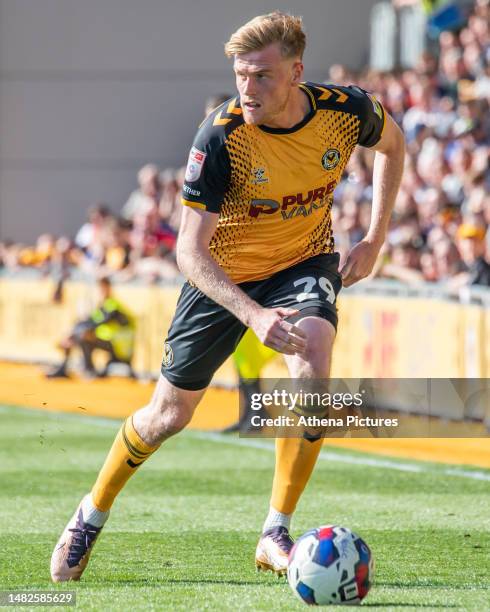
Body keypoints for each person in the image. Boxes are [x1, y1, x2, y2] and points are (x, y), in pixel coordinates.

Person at [50, 11, 404, 582]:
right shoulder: (221, 134)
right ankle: (90, 513)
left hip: (302, 261)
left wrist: (374, 238)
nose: (248, 87)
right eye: (241, 74)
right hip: (223, 278)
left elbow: (394, 141)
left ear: (296, 72)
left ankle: (275, 531)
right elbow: (189, 253)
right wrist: (252, 312)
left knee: (314, 365)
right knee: (169, 415)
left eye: (261, 75)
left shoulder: (345, 111)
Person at [47, 277, 135, 379]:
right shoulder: (105, 304)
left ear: (109, 288)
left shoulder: (112, 305)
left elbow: (98, 323)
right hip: (111, 342)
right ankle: (70, 367)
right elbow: (89, 321)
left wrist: (74, 334)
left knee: (83, 337)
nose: (101, 291)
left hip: (118, 345)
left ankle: (86, 369)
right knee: (80, 335)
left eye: (103, 288)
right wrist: (72, 332)